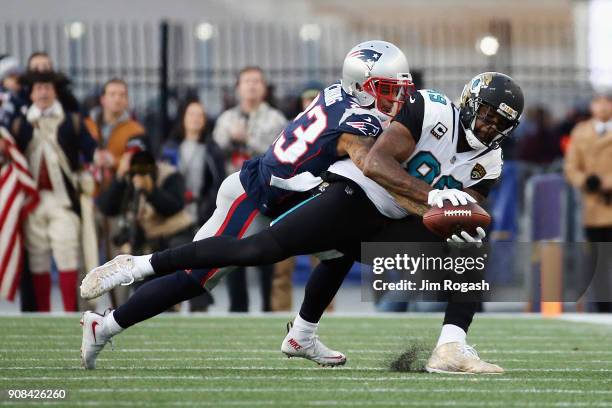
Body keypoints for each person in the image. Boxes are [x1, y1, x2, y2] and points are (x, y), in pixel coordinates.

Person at [79, 39, 415, 369]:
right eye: (386, 88)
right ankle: (113, 311)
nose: (395, 97)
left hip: (286, 195)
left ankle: (303, 334)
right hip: (255, 196)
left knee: (338, 249)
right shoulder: (360, 124)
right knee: (194, 279)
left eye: (399, 88)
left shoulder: (336, 93)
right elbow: (372, 166)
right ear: (359, 85)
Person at [12, 70, 97, 312]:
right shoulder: (21, 124)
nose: (43, 92)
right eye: (39, 88)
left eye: (47, 88)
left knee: (67, 252)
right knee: (37, 258)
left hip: (63, 201)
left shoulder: (71, 120)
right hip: (33, 201)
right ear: (32, 93)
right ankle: (44, 314)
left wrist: (98, 158)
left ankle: (70, 312)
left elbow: (90, 148)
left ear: (55, 91)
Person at [214, 66, 288, 312]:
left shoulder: (276, 119)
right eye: (247, 81)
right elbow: (214, 154)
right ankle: (238, 308)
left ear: (264, 87)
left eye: (257, 81)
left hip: (265, 194)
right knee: (231, 252)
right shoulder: (226, 119)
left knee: (266, 252)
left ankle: (268, 308)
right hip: (233, 194)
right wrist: (230, 141)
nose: (252, 86)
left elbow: (282, 155)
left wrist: (248, 141)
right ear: (238, 86)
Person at [160, 100, 225, 310]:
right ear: (183, 119)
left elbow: (218, 183)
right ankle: (170, 305)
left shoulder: (212, 149)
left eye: (200, 115)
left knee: (200, 261)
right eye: (191, 114)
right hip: (176, 214)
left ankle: (200, 306)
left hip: (203, 211)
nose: (196, 119)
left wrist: (208, 206)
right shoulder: (170, 148)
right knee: (176, 258)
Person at [564, 93, 612, 312]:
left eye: (607, 102)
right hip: (593, 207)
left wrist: (606, 182)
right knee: (597, 261)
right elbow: (571, 167)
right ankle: (603, 308)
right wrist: (586, 181)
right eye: (598, 102)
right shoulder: (581, 132)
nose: (602, 107)